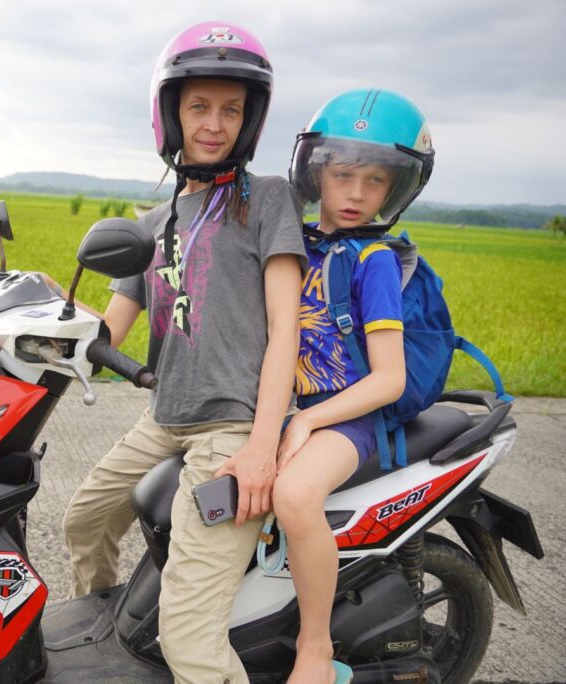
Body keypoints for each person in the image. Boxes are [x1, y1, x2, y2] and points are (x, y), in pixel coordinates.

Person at [56, 21, 305, 684]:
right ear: (171, 114)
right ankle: (103, 646)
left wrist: (263, 445)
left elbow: (286, 329)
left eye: (231, 110)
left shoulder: (268, 200)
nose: (214, 124)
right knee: (84, 521)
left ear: (249, 121)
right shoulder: (153, 225)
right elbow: (109, 332)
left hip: (233, 428)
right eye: (199, 107)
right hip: (164, 417)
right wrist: (54, 304)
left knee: (189, 633)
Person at [275, 88, 436, 684]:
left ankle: (314, 647)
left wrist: (309, 418)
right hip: (287, 406)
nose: (357, 193)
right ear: (316, 173)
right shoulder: (294, 245)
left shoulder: (375, 262)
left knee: (295, 495)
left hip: (348, 416)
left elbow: (389, 378)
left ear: (395, 189)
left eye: (375, 181)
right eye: (343, 175)